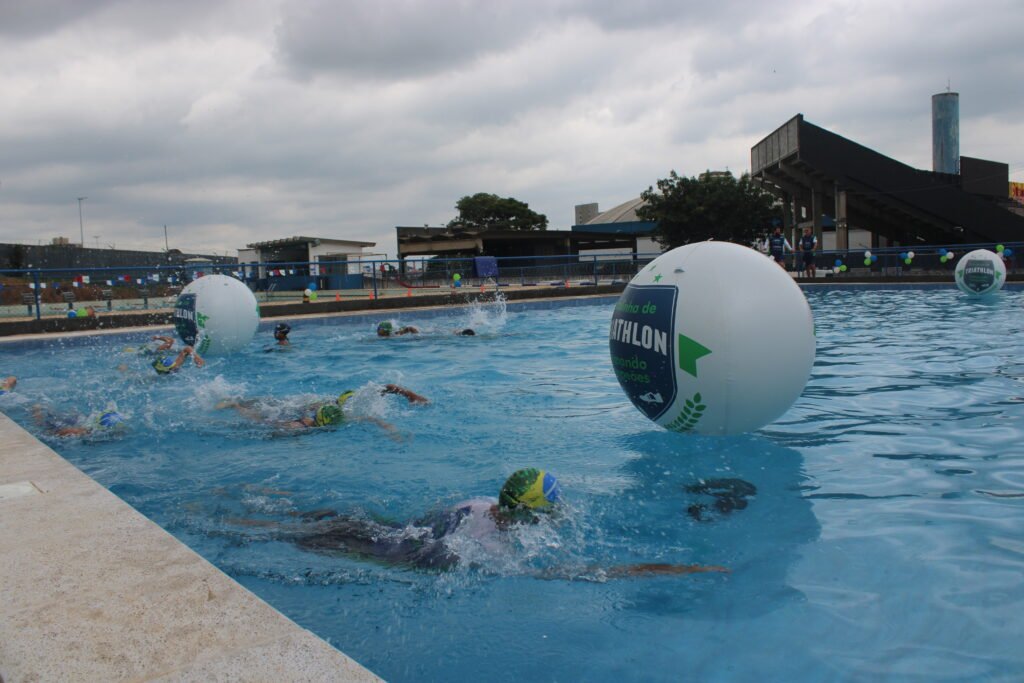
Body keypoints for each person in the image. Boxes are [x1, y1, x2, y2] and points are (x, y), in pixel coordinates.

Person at [238, 468, 727, 578]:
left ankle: (259, 509)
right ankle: (242, 521)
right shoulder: (495, 551)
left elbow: (426, 521)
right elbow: (585, 574)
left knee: (322, 523)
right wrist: (671, 568)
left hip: (395, 532)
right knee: (297, 538)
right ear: (529, 514)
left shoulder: (477, 504)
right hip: (385, 553)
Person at [216, 383, 428, 433]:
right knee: (270, 413)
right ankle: (235, 403)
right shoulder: (343, 408)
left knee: (272, 408)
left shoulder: (346, 404)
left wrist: (412, 396)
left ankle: (236, 402)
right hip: (301, 411)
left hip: (303, 411)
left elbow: (386, 389)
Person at [31, 404, 127, 438]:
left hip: (79, 423)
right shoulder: (81, 431)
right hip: (62, 427)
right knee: (43, 426)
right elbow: (51, 434)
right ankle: (37, 409)